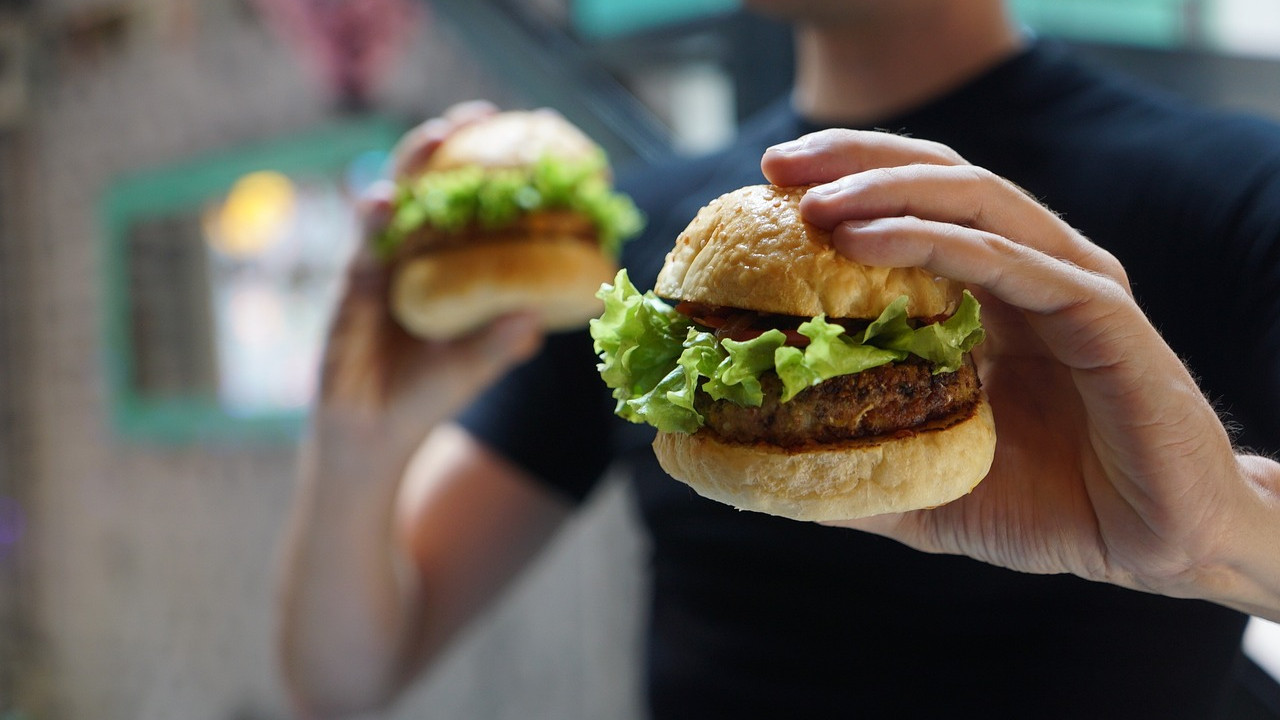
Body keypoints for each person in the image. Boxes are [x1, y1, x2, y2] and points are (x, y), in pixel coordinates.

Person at [276, 1, 1280, 717]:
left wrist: (1219, 539)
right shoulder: (648, 244)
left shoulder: (1239, 189)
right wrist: (357, 445)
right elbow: (346, 681)